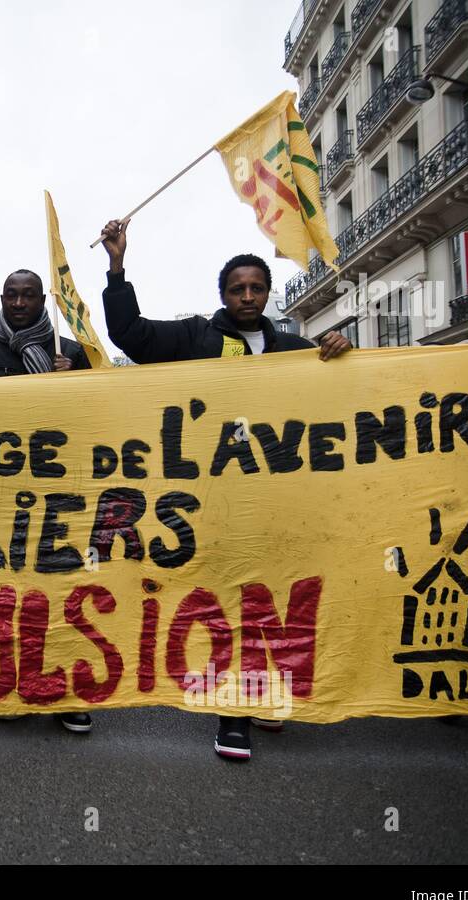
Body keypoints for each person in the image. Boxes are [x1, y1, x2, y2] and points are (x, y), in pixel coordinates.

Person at [98, 218, 353, 761]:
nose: (247, 296)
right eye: (237, 288)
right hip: (219, 504)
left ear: (267, 293)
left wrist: (338, 350)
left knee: (276, 599)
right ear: (223, 295)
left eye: (256, 288)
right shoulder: (195, 337)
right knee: (234, 601)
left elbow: (339, 396)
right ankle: (232, 713)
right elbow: (130, 335)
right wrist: (118, 267)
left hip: (283, 501)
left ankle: (267, 696)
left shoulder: (295, 347)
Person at [0, 269, 94, 733]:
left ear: (43, 299)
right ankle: (13, 685)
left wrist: (75, 381)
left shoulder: (74, 353)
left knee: (63, 593)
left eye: (28, 295)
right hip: (5, 493)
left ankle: (66, 690)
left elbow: (98, 414)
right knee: (9, 596)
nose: (20, 302)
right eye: (12, 295)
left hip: (63, 495)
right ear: (1, 298)